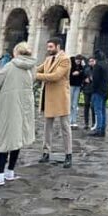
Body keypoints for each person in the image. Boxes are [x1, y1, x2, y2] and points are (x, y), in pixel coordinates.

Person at [0, 42, 36, 186]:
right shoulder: (32, 67)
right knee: (16, 138)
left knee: (5, 138)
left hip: (9, 105)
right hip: (24, 106)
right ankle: (10, 171)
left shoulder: (11, 65)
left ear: (16, 53)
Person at [37, 38, 72, 168]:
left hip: (60, 97)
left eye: (51, 47)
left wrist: (36, 76)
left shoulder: (65, 59)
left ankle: (68, 154)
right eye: (48, 47)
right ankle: (46, 152)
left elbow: (56, 76)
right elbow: (38, 69)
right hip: (48, 96)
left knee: (65, 127)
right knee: (47, 127)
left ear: (58, 46)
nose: (48, 49)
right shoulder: (48, 59)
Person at [89, 50, 108, 137]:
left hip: (98, 90)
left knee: (98, 110)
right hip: (105, 89)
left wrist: (93, 88)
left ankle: (98, 129)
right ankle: (102, 129)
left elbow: (95, 79)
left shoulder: (98, 65)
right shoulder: (107, 64)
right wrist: (107, 82)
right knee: (103, 110)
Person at [69, 54, 85, 130]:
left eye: (80, 61)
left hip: (78, 86)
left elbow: (84, 74)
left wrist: (80, 71)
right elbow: (70, 74)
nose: (78, 62)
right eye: (77, 60)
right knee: (69, 103)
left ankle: (74, 121)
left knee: (75, 104)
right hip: (71, 85)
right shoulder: (70, 65)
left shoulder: (81, 66)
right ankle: (69, 120)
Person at [82, 55, 96, 130]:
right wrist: (85, 80)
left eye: (92, 61)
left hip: (94, 90)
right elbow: (82, 78)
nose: (91, 62)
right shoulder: (86, 69)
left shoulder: (97, 69)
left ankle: (94, 123)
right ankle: (86, 123)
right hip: (87, 89)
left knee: (93, 107)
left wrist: (91, 79)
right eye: (90, 61)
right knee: (86, 105)